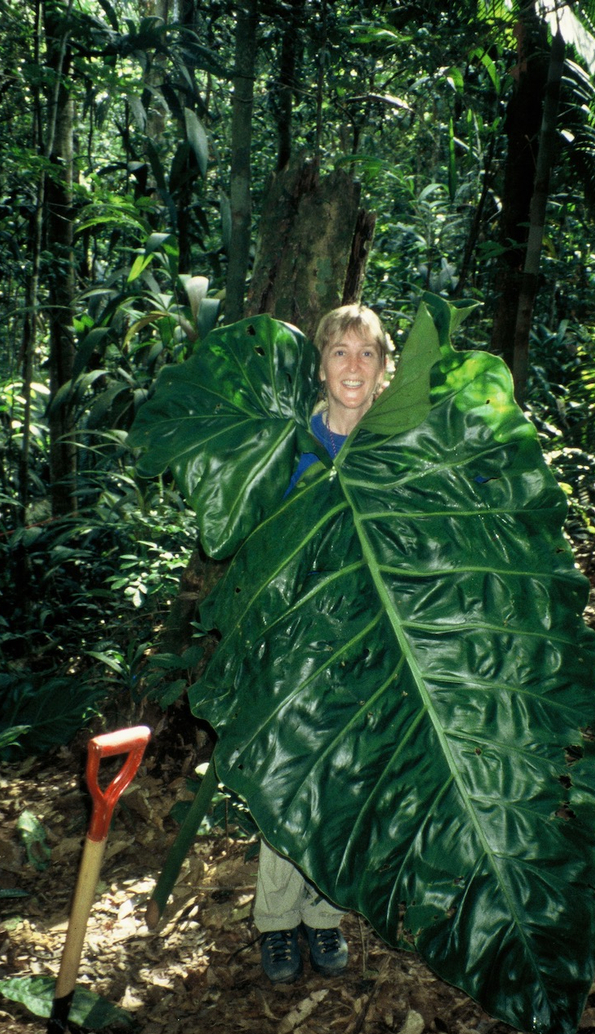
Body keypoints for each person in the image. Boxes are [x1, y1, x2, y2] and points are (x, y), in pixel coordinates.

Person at [254, 303, 391, 984]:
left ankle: (325, 913)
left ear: (386, 367)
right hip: (302, 635)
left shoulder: (400, 444)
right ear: (320, 366)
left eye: (367, 353)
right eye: (340, 351)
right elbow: (263, 538)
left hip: (376, 635)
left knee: (349, 773)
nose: (353, 366)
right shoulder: (294, 445)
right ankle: (277, 921)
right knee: (289, 769)